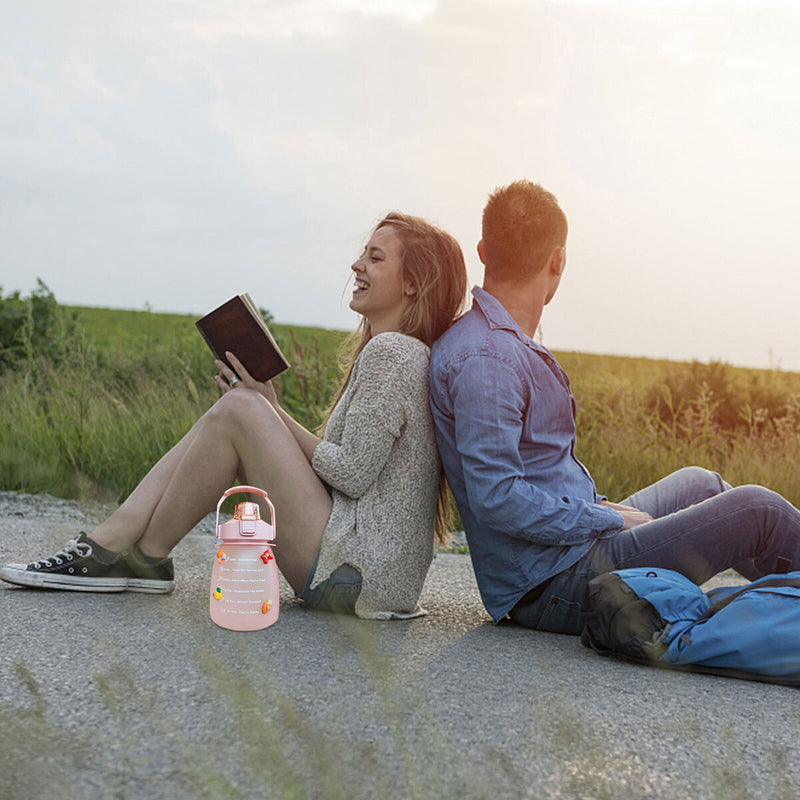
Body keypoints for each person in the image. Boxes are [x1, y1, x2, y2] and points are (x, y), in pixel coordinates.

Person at [1, 212, 468, 619]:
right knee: (238, 408)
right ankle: (132, 553)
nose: (357, 265)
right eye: (363, 254)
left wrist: (270, 410)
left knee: (241, 407)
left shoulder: (394, 354)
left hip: (358, 576)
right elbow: (349, 476)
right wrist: (269, 411)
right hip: (366, 576)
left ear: (412, 283)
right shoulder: (402, 354)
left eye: (375, 257)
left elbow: (351, 474)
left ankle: (120, 550)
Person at [429, 179, 800, 634]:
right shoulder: (488, 358)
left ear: (484, 251)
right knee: (758, 510)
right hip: (558, 584)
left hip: (569, 555)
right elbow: (497, 498)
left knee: (701, 484)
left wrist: (601, 512)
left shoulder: (495, 344)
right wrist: (603, 519)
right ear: (558, 259)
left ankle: (790, 607)